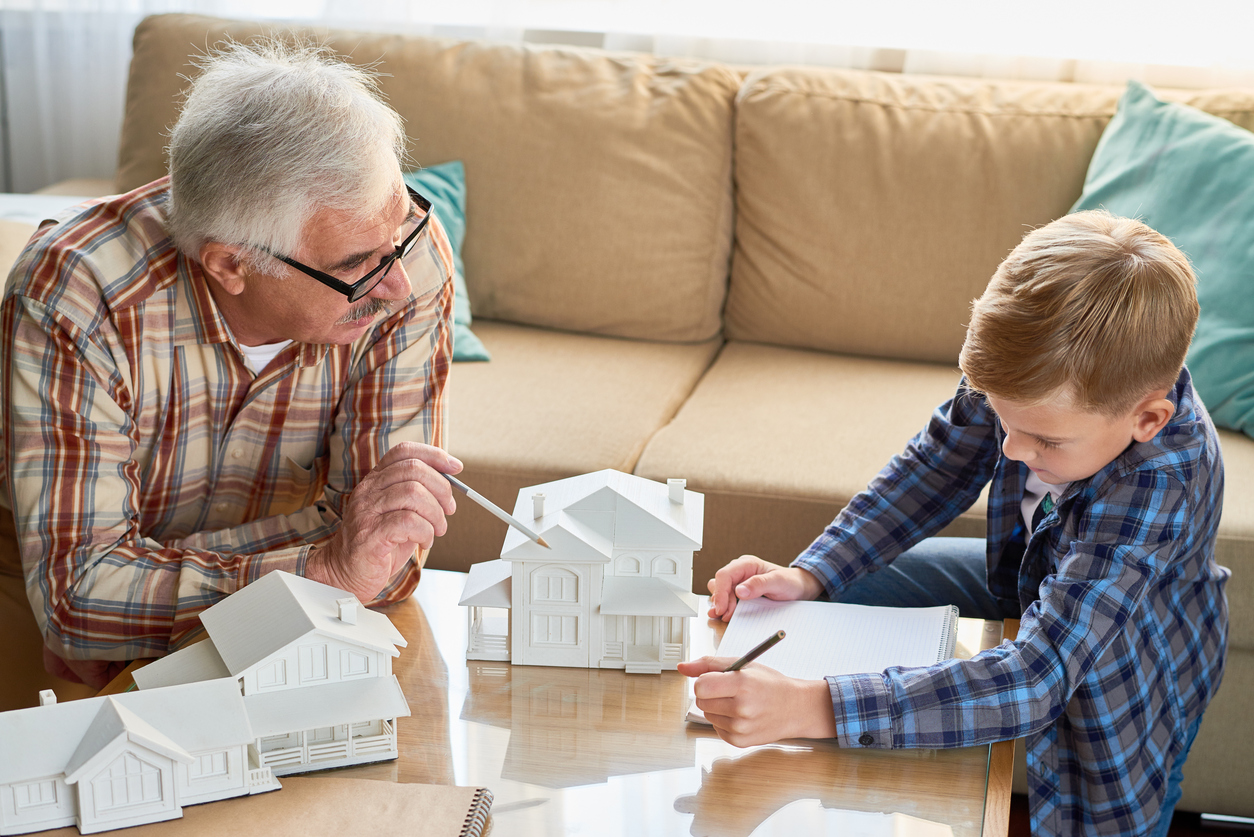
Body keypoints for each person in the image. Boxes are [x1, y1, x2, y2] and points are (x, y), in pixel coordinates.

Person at [680, 210, 1228, 837]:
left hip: (1132, 656)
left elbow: (1037, 678)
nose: (1014, 452)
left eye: (1045, 440)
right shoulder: (1024, 368)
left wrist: (815, 704)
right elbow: (935, 468)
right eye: (1003, 421)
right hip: (1026, 572)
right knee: (847, 586)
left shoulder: (1164, 480)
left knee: (1106, 816)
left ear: (1148, 420)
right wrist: (810, 574)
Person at [0, 41, 461, 689]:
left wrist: (134, 599)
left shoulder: (404, 254)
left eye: (397, 238)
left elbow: (390, 550)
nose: (397, 288)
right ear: (230, 264)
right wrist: (323, 572)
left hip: (281, 646)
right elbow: (77, 601)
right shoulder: (77, 289)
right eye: (357, 269)